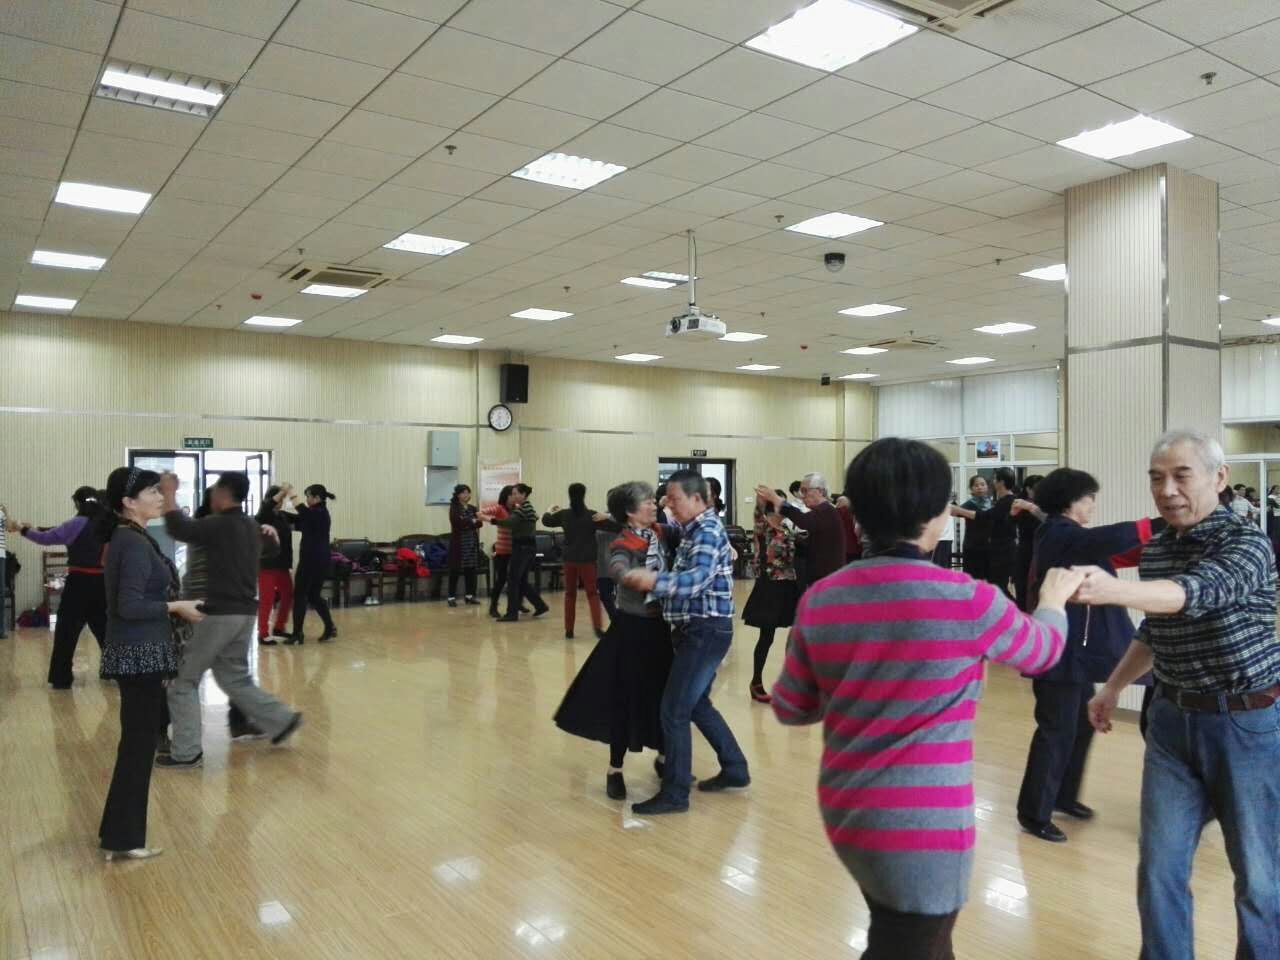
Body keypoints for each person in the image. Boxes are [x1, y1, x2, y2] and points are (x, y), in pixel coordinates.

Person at [771, 439, 1079, 959]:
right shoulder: (967, 599)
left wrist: (860, 678)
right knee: (911, 944)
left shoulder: (822, 597)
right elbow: (1042, 651)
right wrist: (1052, 601)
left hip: (848, 813)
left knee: (913, 937)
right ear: (938, 516)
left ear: (857, 515)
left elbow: (791, 706)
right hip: (923, 825)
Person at [1080, 430, 1280, 959]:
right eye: (1156, 478)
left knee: (1260, 878)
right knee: (1159, 869)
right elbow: (1157, 628)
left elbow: (1193, 593)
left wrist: (1110, 589)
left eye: (1181, 476)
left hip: (1245, 723)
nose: (1166, 490)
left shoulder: (1247, 543)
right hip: (1170, 721)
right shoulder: (1160, 548)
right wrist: (1113, 688)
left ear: (1219, 477)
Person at [1013, 468, 1162, 843]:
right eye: (1089, 497)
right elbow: (1105, 539)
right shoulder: (1060, 533)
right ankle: (1034, 813)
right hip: (1058, 654)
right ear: (1070, 501)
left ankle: (1063, 796)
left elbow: (1112, 551)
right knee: (1056, 732)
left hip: (1074, 656)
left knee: (1079, 727)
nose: (1093, 504)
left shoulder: (1068, 536)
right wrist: (1159, 523)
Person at [622, 470, 749, 815]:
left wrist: (653, 580)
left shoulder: (706, 531)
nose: (669, 504)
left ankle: (676, 793)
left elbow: (696, 580)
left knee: (674, 710)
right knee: (696, 705)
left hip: (704, 631)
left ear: (696, 499)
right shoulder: (693, 528)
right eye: (666, 498)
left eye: (674, 499)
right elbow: (673, 534)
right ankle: (735, 768)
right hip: (698, 630)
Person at [156, 472, 302, 769]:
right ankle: (282, 720)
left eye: (215, 491)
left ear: (223, 493)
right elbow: (271, 548)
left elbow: (177, 527)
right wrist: (270, 535)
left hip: (215, 613)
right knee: (234, 677)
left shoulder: (217, 525)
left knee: (182, 681)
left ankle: (186, 753)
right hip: (244, 614)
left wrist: (169, 491)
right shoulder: (250, 526)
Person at [97, 466, 205, 861]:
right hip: (138, 652)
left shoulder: (133, 536)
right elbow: (128, 606)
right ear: (128, 502)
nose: (160, 497)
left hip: (142, 650)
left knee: (137, 744)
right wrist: (176, 606)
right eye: (151, 492)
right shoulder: (131, 542)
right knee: (138, 746)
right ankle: (124, 838)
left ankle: (117, 833)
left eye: (160, 491)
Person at [554, 482, 676, 800]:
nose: (653, 505)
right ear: (630, 512)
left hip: (661, 629)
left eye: (653, 501)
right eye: (647, 502)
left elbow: (689, 531)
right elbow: (619, 567)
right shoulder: (623, 542)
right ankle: (615, 769)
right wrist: (634, 576)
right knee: (624, 698)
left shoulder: (660, 533)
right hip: (632, 630)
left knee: (663, 695)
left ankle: (665, 757)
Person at [11, 486, 109, 687]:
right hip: (102, 584)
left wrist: (23, 530)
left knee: (66, 632)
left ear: (78, 503)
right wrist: (36, 527)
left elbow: (49, 538)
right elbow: (58, 531)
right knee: (106, 631)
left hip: (78, 583)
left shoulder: (76, 523)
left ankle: (61, 678)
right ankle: (115, 671)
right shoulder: (108, 524)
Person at [742, 489, 798, 704]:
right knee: (767, 636)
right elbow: (758, 513)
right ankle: (756, 682)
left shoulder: (788, 528)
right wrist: (762, 499)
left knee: (796, 635)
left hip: (789, 585)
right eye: (780, 504)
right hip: (770, 586)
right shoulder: (763, 527)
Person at [756, 473, 846, 587]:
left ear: (820, 491)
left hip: (827, 577)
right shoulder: (823, 511)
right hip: (820, 576)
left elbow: (804, 521)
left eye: (805, 491)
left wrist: (777, 500)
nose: (802, 496)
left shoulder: (826, 510)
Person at [542, 483, 605, 640]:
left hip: (569, 559)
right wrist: (607, 516)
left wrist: (549, 509)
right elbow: (616, 527)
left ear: (569, 495)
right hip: (588, 560)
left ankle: (569, 630)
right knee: (593, 594)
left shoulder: (564, 514)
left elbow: (546, 521)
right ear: (584, 494)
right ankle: (598, 628)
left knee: (570, 594)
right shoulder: (592, 515)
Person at [286, 484, 337, 644]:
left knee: (300, 595)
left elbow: (302, 512)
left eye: (308, 496)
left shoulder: (319, 513)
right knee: (314, 596)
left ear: (317, 498)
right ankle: (330, 627)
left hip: (312, 560)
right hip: (320, 560)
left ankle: (297, 634)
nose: (306, 499)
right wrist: (279, 514)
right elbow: (298, 519)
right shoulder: (315, 513)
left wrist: (290, 493)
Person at [492, 483, 548, 622]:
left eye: (516, 493)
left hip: (522, 548)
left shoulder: (523, 509)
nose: (514, 496)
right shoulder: (528, 508)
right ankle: (540, 606)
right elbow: (533, 517)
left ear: (524, 495)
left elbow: (509, 523)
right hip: (528, 548)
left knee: (512, 580)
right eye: (513, 494)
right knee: (521, 581)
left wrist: (491, 520)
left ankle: (512, 614)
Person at [255, 484, 295, 643]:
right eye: (280, 498)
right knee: (267, 599)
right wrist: (283, 491)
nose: (281, 501)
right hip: (267, 565)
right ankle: (263, 633)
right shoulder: (264, 514)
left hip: (282, 565)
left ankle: (279, 627)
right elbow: (267, 505)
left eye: (283, 499)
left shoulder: (282, 516)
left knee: (288, 595)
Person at [446, 483, 484, 608]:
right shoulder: (454, 507)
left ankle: (469, 596)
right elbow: (457, 522)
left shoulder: (472, 508)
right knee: (455, 570)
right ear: (458, 495)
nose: (466, 495)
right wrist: (471, 521)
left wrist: (469, 521)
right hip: (459, 544)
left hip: (471, 543)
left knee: (471, 570)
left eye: (468, 492)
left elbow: (480, 523)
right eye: (464, 492)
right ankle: (451, 597)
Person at [1012, 474, 1044, 611]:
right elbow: (1009, 523)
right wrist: (1013, 513)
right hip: (1025, 549)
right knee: (1023, 585)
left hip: (1042, 549)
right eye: (1037, 489)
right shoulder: (1021, 504)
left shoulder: (1045, 505)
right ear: (1028, 489)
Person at [959, 475, 993, 581]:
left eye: (982, 484)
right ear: (971, 489)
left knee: (990, 579)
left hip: (990, 547)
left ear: (987, 487)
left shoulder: (993, 504)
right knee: (972, 580)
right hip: (972, 547)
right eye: (976, 485)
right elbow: (956, 512)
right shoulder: (968, 505)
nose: (980, 487)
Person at [835, 495, 861, 564]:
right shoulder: (853, 513)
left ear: (839, 503)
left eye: (837, 502)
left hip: (842, 546)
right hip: (855, 547)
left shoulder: (836, 513)